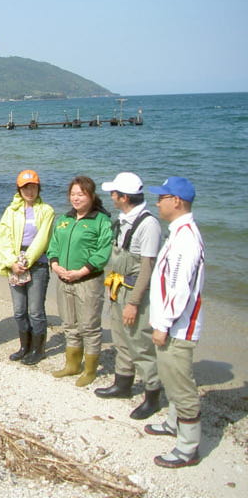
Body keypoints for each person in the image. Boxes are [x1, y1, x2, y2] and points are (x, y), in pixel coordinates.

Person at [143, 177, 205, 468]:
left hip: (178, 327)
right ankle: (172, 422)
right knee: (170, 375)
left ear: (176, 201)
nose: (157, 202)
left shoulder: (186, 238)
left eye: (162, 197)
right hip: (170, 323)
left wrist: (163, 324)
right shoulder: (178, 233)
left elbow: (180, 287)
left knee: (181, 383)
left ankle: (188, 447)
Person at [95, 172, 163, 420]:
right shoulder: (124, 219)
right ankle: (122, 384)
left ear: (124, 197)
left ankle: (152, 395)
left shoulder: (148, 225)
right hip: (117, 287)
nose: (111, 196)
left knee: (140, 343)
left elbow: (147, 267)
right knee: (121, 337)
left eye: (114, 193)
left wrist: (133, 303)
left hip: (135, 291)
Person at [47, 176, 112, 386]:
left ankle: (90, 369)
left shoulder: (101, 220)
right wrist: (55, 265)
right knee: (69, 323)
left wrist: (81, 272)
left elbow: (104, 251)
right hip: (63, 279)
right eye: (73, 194)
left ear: (91, 196)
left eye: (81, 194)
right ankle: (72, 364)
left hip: (88, 281)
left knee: (89, 326)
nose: (76, 198)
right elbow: (54, 244)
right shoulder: (64, 219)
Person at [0, 170, 55, 365]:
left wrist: (26, 261)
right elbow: (3, 238)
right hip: (15, 263)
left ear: (39, 188)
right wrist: (12, 262)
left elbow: (42, 239)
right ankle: (25, 346)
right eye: (25, 187)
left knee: (35, 310)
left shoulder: (47, 210)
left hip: (36, 264)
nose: (30, 191)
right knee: (19, 310)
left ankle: (38, 349)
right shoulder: (11, 211)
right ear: (19, 189)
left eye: (33, 187)